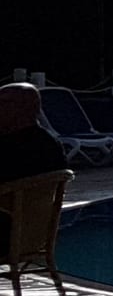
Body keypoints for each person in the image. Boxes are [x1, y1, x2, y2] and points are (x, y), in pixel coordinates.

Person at [0, 84, 69, 245]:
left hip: (7, 235)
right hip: (34, 236)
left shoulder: (13, 148)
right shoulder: (49, 143)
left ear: (23, 108)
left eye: (3, 103)